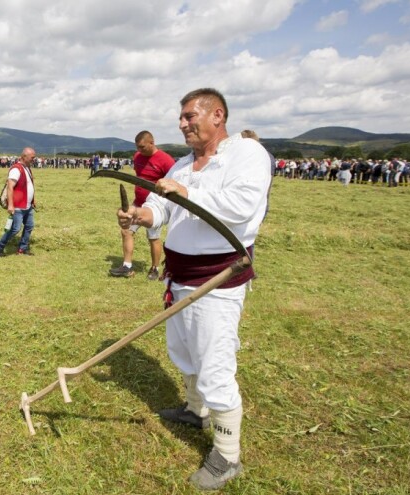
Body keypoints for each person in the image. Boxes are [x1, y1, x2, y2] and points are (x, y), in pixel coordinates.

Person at [117, 88, 271, 490]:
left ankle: (227, 456)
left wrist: (188, 193)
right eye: (181, 118)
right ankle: (195, 410)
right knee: (183, 351)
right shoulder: (183, 164)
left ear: (217, 115)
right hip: (179, 277)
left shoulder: (247, 154)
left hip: (217, 278)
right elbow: (162, 209)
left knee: (214, 364)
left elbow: (241, 206)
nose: (182, 123)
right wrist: (139, 215)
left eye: (189, 116)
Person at [109, 131, 175, 279]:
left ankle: (155, 268)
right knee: (126, 231)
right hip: (137, 203)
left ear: (152, 143)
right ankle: (127, 266)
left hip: (155, 207)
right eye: (137, 147)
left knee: (153, 237)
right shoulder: (137, 156)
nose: (139, 150)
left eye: (143, 147)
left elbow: (173, 183)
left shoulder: (166, 161)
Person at [0, 147, 37, 257]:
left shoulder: (27, 168)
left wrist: (33, 200)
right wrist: (11, 205)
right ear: (24, 157)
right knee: (15, 229)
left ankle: (22, 249)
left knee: (29, 226)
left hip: (27, 205)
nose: (34, 159)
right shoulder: (16, 169)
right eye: (32, 157)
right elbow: (10, 187)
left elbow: (28, 185)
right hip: (18, 206)